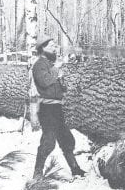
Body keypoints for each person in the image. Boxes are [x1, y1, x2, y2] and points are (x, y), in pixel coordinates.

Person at [32, 35, 86, 178]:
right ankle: (37, 173)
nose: (54, 48)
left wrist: (62, 79)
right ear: (42, 48)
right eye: (50, 46)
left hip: (57, 108)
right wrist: (56, 70)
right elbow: (44, 82)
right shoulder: (39, 65)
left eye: (54, 45)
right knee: (48, 142)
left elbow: (63, 88)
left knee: (66, 138)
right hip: (46, 109)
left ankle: (75, 168)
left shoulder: (50, 64)